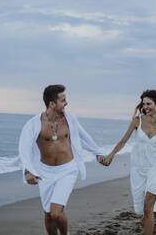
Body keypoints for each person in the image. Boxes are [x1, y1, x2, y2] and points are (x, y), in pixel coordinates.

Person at [18, 84, 107, 235]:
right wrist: (28, 171)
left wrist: (97, 153)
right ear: (52, 104)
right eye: (63, 100)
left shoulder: (70, 120)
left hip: (67, 170)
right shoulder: (34, 124)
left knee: (56, 213)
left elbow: (84, 137)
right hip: (44, 172)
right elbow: (24, 148)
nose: (67, 103)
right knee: (48, 214)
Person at [104, 89, 156, 235]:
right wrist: (111, 154)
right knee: (142, 209)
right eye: (143, 104)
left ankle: (147, 221)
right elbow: (123, 141)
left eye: (149, 104)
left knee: (148, 209)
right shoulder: (137, 121)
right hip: (138, 168)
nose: (145, 107)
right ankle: (145, 218)